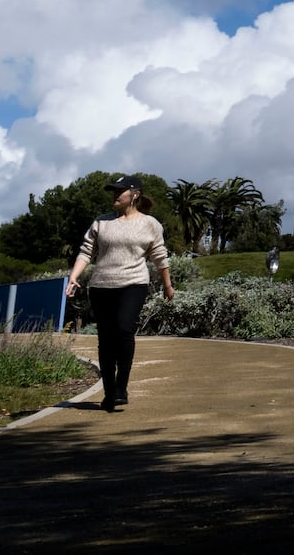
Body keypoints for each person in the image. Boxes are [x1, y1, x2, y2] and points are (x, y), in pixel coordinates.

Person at [65, 175, 174, 412]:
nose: (115, 195)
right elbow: (86, 252)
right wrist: (74, 276)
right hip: (101, 285)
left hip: (133, 283)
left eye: (120, 191)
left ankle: (121, 387)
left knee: (124, 329)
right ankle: (108, 392)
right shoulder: (101, 222)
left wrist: (167, 286)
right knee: (105, 339)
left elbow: (159, 256)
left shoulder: (150, 224)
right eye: (113, 191)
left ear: (134, 194)